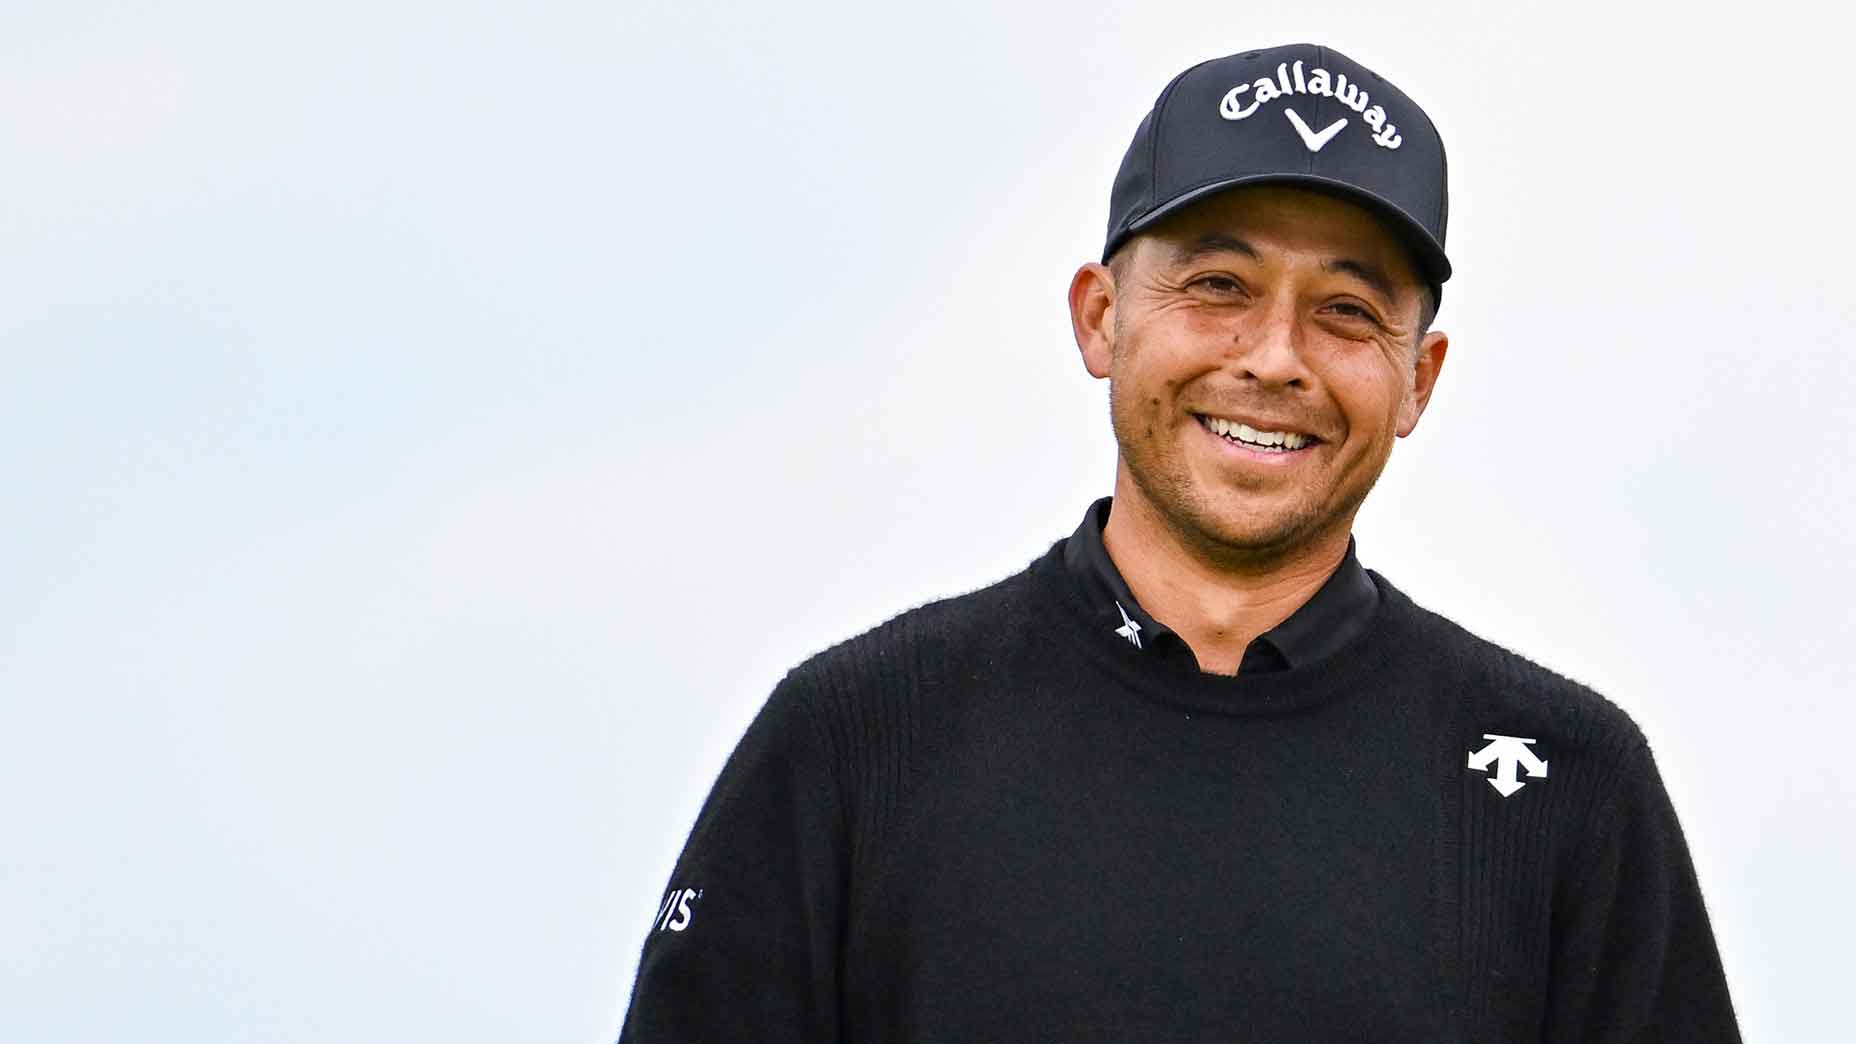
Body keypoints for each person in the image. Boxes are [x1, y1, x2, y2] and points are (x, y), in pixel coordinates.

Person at [617, 43, 1741, 1042]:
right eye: (1217, 286)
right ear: (1100, 318)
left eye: (1346, 311)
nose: (1272, 358)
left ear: (1417, 378)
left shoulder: (1562, 784)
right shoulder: (854, 741)